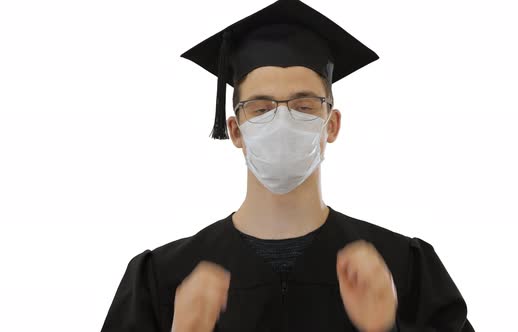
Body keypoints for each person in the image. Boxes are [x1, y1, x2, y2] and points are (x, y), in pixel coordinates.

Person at [100, 0, 475, 331]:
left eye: (303, 105)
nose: (281, 121)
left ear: (332, 124)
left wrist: (385, 329)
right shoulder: (164, 280)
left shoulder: (401, 270)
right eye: (261, 108)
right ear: (235, 130)